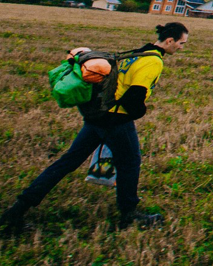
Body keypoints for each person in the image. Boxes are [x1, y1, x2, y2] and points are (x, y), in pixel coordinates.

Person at [2, 23, 188, 233]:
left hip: (97, 115)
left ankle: (18, 210)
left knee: (67, 161)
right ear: (170, 40)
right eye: (181, 43)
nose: (182, 47)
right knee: (130, 163)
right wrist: (140, 111)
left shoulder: (137, 53)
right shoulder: (153, 61)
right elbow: (133, 98)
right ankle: (129, 214)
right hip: (116, 120)